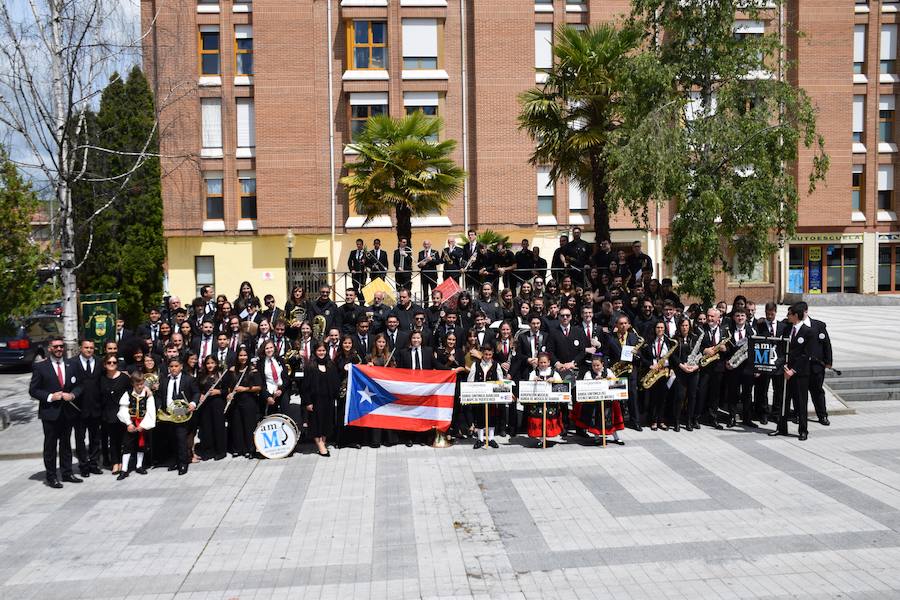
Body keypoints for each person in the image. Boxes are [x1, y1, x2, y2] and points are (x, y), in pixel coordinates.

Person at [29, 336, 81, 488]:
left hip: (67, 412)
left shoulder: (72, 364)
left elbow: (80, 385)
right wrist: (51, 397)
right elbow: (33, 390)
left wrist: (73, 395)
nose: (59, 349)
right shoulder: (41, 367)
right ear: (49, 348)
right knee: (50, 446)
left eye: (61, 346)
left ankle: (67, 473)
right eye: (56, 347)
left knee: (66, 444)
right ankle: (51, 476)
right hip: (50, 413)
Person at [769, 303, 813, 441]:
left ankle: (803, 430)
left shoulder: (808, 332)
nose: (787, 316)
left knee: (800, 402)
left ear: (796, 315)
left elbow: (806, 355)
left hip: (799, 374)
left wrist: (793, 370)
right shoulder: (787, 329)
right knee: (783, 401)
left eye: (789, 314)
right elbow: (781, 349)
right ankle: (781, 427)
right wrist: (783, 367)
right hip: (785, 372)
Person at [155, 356, 199, 475]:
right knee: (172, 439)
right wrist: (159, 408)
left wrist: (192, 403)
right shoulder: (164, 380)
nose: (174, 369)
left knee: (181, 439)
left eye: (176, 366)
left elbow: (196, 393)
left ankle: (183, 464)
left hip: (182, 414)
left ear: (181, 367)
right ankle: (175, 461)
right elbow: (159, 395)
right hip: (168, 414)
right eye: (171, 366)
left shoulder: (189, 379)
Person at [303, 342, 340, 457]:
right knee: (316, 423)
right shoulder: (310, 366)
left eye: (323, 350)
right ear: (315, 352)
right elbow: (305, 387)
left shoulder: (331, 365)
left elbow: (335, 383)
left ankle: (323, 443)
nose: (321, 353)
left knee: (326, 422)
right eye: (319, 351)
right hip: (315, 400)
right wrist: (308, 402)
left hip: (328, 400)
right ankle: (320, 445)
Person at [72, 339, 103, 477]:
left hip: (95, 407)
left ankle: (94, 463)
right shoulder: (72, 363)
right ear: (81, 348)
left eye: (91, 347)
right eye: (86, 347)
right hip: (79, 409)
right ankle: (83, 465)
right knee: (80, 439)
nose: (89, 350)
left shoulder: (99, 362)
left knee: (95, 438)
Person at [116, 371, 155, 480]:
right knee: (127, 446)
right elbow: (123, 409)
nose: (140, 386)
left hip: (142, 424)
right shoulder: (128, 394)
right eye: (137, 384)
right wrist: (128, 423)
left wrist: (144, 425)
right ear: (133, 384)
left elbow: (151, 411)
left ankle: (139, 465)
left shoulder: (148, 395)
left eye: (142, 384)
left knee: (141, 445)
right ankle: (124, 469)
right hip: (131, 423)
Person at [579, 354, 625, 445]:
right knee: (596, 420)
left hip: (608, 402)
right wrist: (594, 381)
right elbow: (585, 386)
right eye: (594, 365)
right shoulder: (588, 374)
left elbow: (617, 383)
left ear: (602, 364)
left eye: (598, 365)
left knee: (610, 420)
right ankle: (596, 437)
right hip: (595, 404)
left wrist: (609, 380)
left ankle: (616, 437)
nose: (596, 367)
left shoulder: (608, 371)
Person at [606, 315, 642, 431]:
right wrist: (609, 369)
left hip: (631, 371)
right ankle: (617, 421)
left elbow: (640, 356)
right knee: (616, 397)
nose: (623, 325)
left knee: (633, 396)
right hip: (617, 372)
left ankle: (635, 421)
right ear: (616, 325)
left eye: (625, 323)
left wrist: (636, 354)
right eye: (620, 323)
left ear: (629, 325)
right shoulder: (610, 338)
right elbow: (606, 355)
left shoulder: (633, 337)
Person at [753, 302, 786, 425]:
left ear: (775, 312)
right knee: (763, 389)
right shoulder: (759, 325)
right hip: (765, 362)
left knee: (778, 390)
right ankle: (764, 414)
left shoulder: (782, 326)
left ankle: (776, 414)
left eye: (772, 314)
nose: (770, 316)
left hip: (778, 363)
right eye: (768, 314)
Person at [226, 347, 262, 458]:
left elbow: (259, 387)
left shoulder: (253, 370)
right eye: (241, 355)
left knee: (248, 426)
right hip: (236, 402)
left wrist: (245, 389)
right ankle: (238, 449)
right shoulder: (232, 370)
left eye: (245, 355)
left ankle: (250, 449)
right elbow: (229, 386)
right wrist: (229, 394)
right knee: (237, 425)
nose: (243, 358)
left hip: (248, 400)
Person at [641, 321, 677, 431]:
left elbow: (672, 358)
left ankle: (661, 420)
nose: (660, 329)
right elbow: (642, 357)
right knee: (653, 398)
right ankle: (653, 421)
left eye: (662, 327)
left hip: (664, 372)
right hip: (653, 372)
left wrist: (671, 369)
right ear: (654, 328)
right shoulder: (649, 341)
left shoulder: (669, 342)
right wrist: (650, 365)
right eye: (658, 327)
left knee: (663, 398)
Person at [724, 308, 756, 428]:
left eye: (742, 315)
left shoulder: (751, 331)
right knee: (733, 393)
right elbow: (726, 348)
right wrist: (727, 361)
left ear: (746, 317)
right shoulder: (729, 332)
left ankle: (747, 419)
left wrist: (756, 368)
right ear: (733, 318)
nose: (740, 318)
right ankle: (732, 417)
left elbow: (755, 350)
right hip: (733, 368)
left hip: (747, 368)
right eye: (737, 315)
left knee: (747, 394)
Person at [698, 307, 728, 430]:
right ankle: (697, 417)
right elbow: (695, 345)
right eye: (708, 316)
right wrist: (705, 350)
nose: (709, 318)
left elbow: (729, 349)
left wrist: (725, 349)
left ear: (718, 318)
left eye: (712, 316)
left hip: (718, 367)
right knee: (701, 392)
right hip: (705, 366)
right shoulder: (700, 329)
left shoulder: (723, 331)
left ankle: (713, 417)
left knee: (715, 394)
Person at [100, 352, 130, 474]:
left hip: (122, 413)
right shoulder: (101, 377)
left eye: (114, 362)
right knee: (112, 440)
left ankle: (123, 462)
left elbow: (131, 392)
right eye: (109, 362)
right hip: (107, 413)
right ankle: (115, 463)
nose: (112, 364)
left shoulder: (124, 378)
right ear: (104, 364)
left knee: (123, 440)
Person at [467, 344, 502, 449]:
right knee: (480, 416)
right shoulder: (476, 365)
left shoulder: (496, 365)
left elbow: (500, 381)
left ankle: (491, 438)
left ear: (492, 354)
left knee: (492, 417)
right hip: (480, 396)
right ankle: (480, 439)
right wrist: (468, 393)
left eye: (490, 355)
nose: (487, 357)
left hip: (492, 396)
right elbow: (470, 380)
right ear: (482, 354)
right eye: (486, 354)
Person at [526, 352, 564, 447]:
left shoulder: (554, 373)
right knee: (538, 419)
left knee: (548, 419)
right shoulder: (534, 373)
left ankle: (547, 437)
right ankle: (541, 439)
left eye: (545, 362)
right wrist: (533, 380)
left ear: (549, 362)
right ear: (538, 362)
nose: (543, 364)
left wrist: (554, 381)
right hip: (538, 401)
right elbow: (527, 386)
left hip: (550, 402)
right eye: (541, 362)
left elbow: (562, 384)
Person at [197, 355, 228, 461]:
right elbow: (198, 389)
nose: (210, 365)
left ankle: (221, 451)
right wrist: (200, 395)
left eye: (212, 363)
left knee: (218, 427)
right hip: (205, 405)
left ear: (216, 364)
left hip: (217, 403)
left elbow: (227, 390)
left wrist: (218, 392)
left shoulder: (221, 375)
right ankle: (209, 451)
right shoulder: (202, 376)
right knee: (207, 428)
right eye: (208, 363)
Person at [673, 318, 701, 431]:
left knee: (692, 396)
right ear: (679, 326)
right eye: (683, 325)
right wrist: (681, 365)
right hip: (681, 371)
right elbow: (673, 356)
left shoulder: (695, 338)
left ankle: (689, 421)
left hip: (694, 370)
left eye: (687, 325)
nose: (685, 327)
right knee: (680, 396)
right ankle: (677, 421)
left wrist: (696, 366)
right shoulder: (675, 339)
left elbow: (700, 354)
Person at [259, 340, 286, 416]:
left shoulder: (280, 359)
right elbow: (261, 382)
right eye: (267, 348)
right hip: (269, 392)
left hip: (281, 390)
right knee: (271, 415)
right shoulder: (260, 363)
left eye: (271, 347)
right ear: (263, 350)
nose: (269, 350)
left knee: (285, 414)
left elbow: (286, 377)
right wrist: (267, 396)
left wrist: (281, 389)